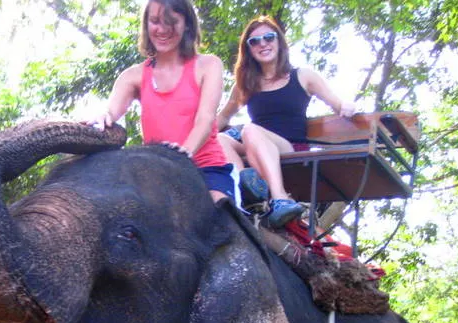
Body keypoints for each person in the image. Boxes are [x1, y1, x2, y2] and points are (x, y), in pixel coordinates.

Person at [216, 16, 357, 228]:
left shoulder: (302, 76)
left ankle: (280, 197)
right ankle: (248, 192)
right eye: (254, 41)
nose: (262, 43)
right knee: (220, 139)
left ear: (279, 41)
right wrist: (193, 137)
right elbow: (224, 116)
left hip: (290, 148)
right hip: (256, 147)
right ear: (249, 49)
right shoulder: (246, 84)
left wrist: (346, 106)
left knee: (250, 130)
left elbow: (337, 103)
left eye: (268, 37)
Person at [90, 0, 235, 204]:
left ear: (187, 24)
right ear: (146, 24)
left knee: (220, 217)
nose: (162, 29)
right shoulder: (133, 76)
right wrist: (103, 116)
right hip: (157, 173)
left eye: (171, 22)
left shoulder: (208, 65)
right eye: (155, 21)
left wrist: (180, 157)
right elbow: (110, 111)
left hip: (206, 168)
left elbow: (205, 120)